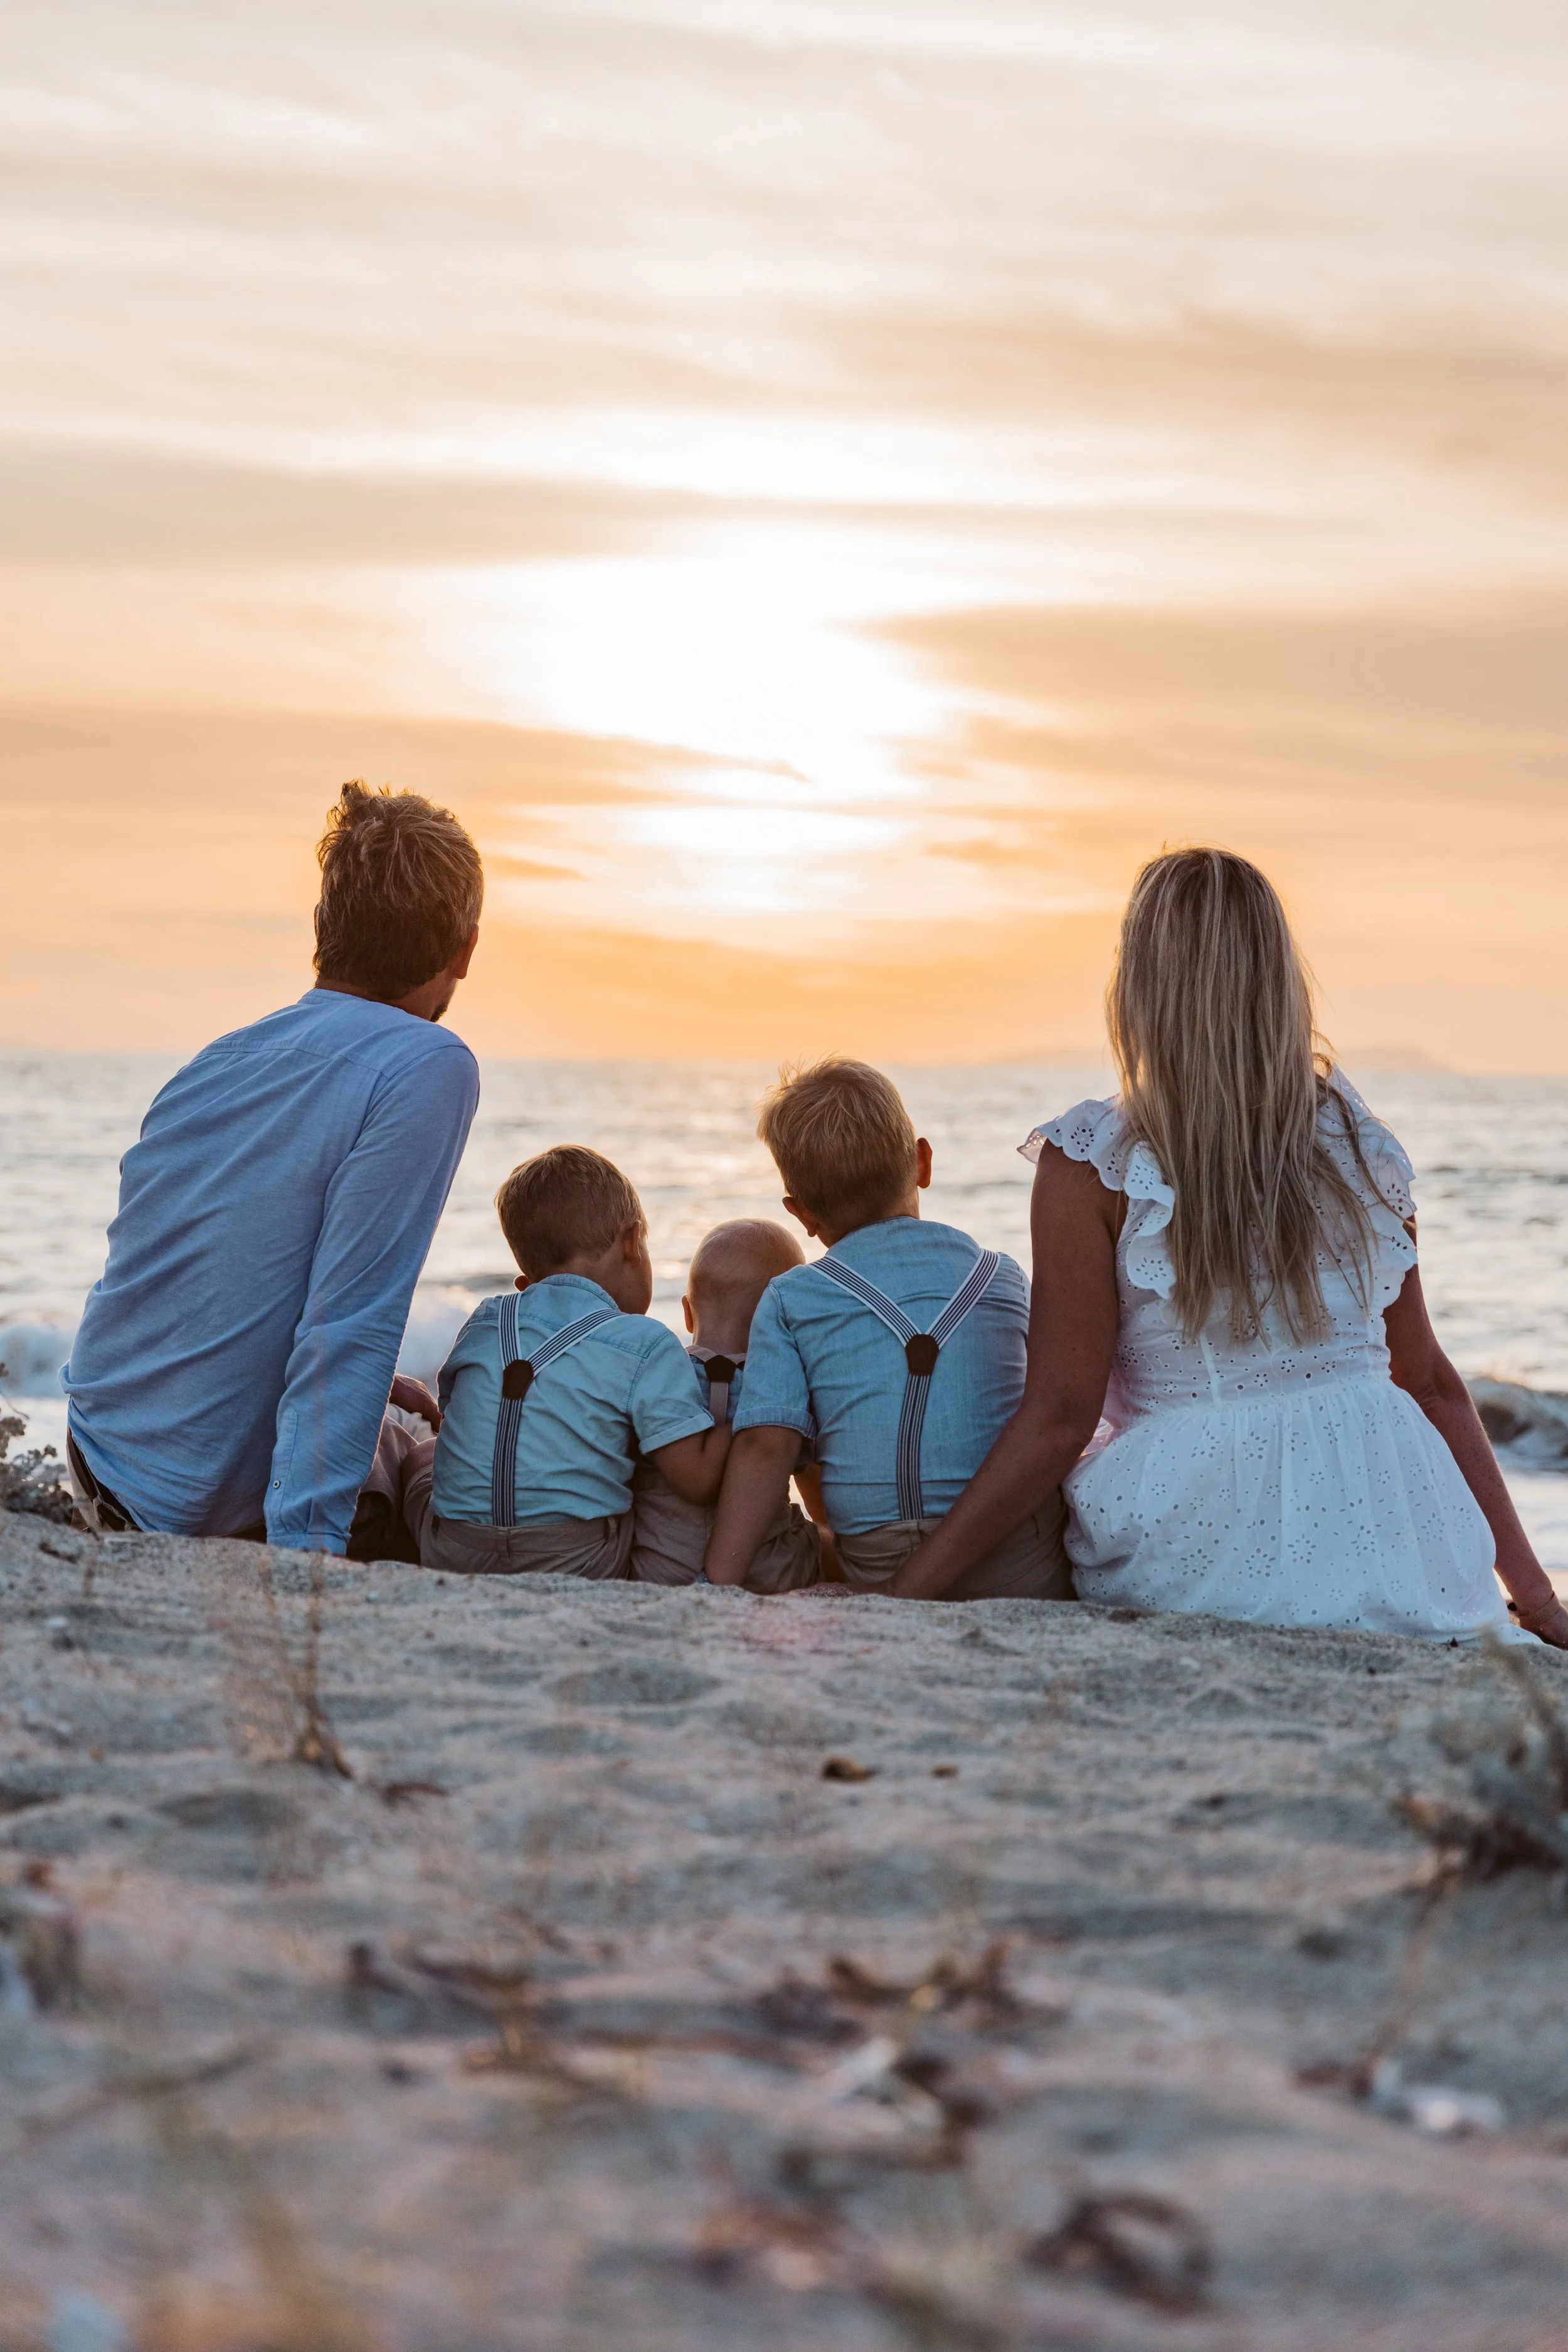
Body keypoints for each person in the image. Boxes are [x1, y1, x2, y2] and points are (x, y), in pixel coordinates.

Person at [889, 848, 1568, 1646]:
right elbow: (1428, 1383)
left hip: (1207, 1525)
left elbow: (1059, 1418)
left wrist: (905, 1594)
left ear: (1140, 988)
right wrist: (1536, 1598)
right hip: (1394, 1519)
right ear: (1279, 982)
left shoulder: (1094, 1162)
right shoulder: (1358, 1142)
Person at [63, 782, 483, 1553]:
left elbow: (196, 1275)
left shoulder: (217, 1062)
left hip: (100, 1459)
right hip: (195, 1510)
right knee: (441, 1468)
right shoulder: (427, 1063)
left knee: (386, 1431)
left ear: (324, 929)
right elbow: (348, 1325)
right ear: (465, 949)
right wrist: (306, 1564)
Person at [706, 1058, 1072, 1599]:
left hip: (877, 1558)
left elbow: (766, 1446)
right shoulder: (1003, 1277)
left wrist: (716, 1582)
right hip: (1013, 1551)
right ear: (922, 1162)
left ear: (800, 1213)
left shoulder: (791, 1297)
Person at [410, 1147, 730, 1577]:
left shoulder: (486, 1319)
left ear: (527, 1284)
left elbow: (461, 1421)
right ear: (632, 1243)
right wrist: (737, 1428)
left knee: (421, 1456)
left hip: (454, 1552)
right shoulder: (646, 1342)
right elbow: (696, 1482)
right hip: (577, 1560)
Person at [631, 1220, 828, 1591]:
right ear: (789, 1321)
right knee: (828, 1540)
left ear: (688, 1313)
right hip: (770, 1573)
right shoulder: (785, 1387)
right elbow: (819, 1497)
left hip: (657, 1571)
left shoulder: (656, 1379)